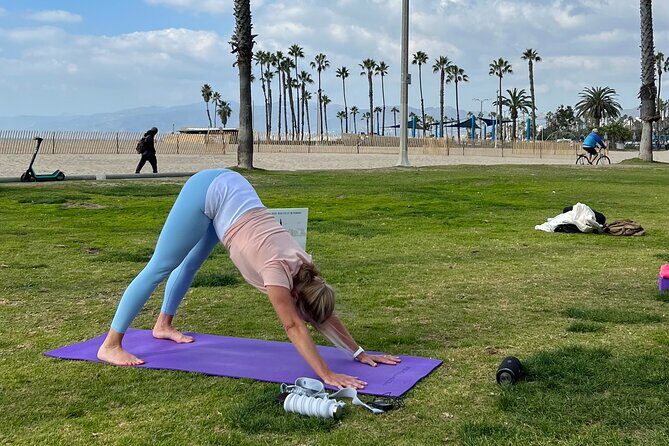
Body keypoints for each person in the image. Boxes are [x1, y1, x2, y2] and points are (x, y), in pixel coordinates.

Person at [97, 169, 400, 389]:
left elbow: (321, 314)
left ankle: (163, 325)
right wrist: (326, 374)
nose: (310, 322)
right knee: (161, 266)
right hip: (208, 190)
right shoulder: (276, 273)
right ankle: (111, 344)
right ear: (296, 298)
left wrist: (358, 353)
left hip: (234, 199)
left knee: (190, 265)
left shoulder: (309, 271)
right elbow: (293, 324)